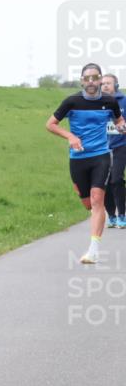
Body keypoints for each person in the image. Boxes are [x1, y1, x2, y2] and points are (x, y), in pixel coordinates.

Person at [46, 63, 126, 263]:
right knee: (88, 203)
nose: (91, 81)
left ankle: (93, 249)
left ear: (100, 80)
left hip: (101, 155)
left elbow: (118, 120)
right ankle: (96, 215)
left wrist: (121, 125)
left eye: (95, 77)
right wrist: (70, 136)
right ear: (82, 80)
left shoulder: (109, 101)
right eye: (87, 78)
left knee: (97, 199)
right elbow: (50, 124)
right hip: (78, 158)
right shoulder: (72, 101)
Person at [101, 73, 126, 229]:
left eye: (108, 83)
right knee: (104, 183)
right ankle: (111, 215)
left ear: (115, 85)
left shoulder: (123, 101)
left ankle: (122, 215)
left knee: (116, 180)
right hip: (102, 147)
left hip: (121, 145)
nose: (105, 86)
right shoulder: (97, 103)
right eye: (102, 83)